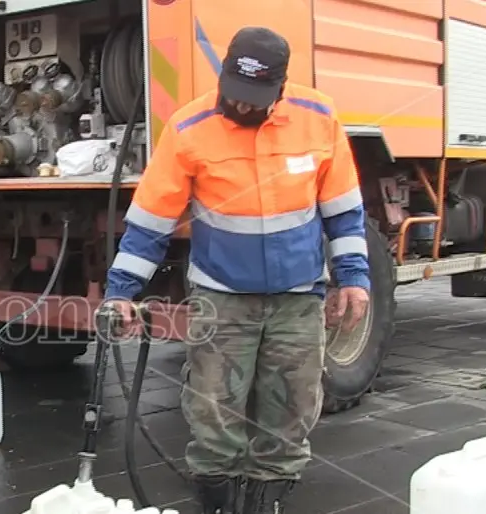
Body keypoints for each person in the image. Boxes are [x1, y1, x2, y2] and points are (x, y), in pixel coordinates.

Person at [104, 27, 370, 513]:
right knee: (213, 412)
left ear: (281, 88)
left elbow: (343, 210)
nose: (242, 107)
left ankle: (268, 498)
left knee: (291, 410)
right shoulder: (189, 127)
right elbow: (150, 220)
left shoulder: (319, 117)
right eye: (235, 95)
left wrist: (354, 278)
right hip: (221, 297)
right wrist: (121, 290)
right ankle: (218, 500)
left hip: (298, 298)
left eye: (256, 99)